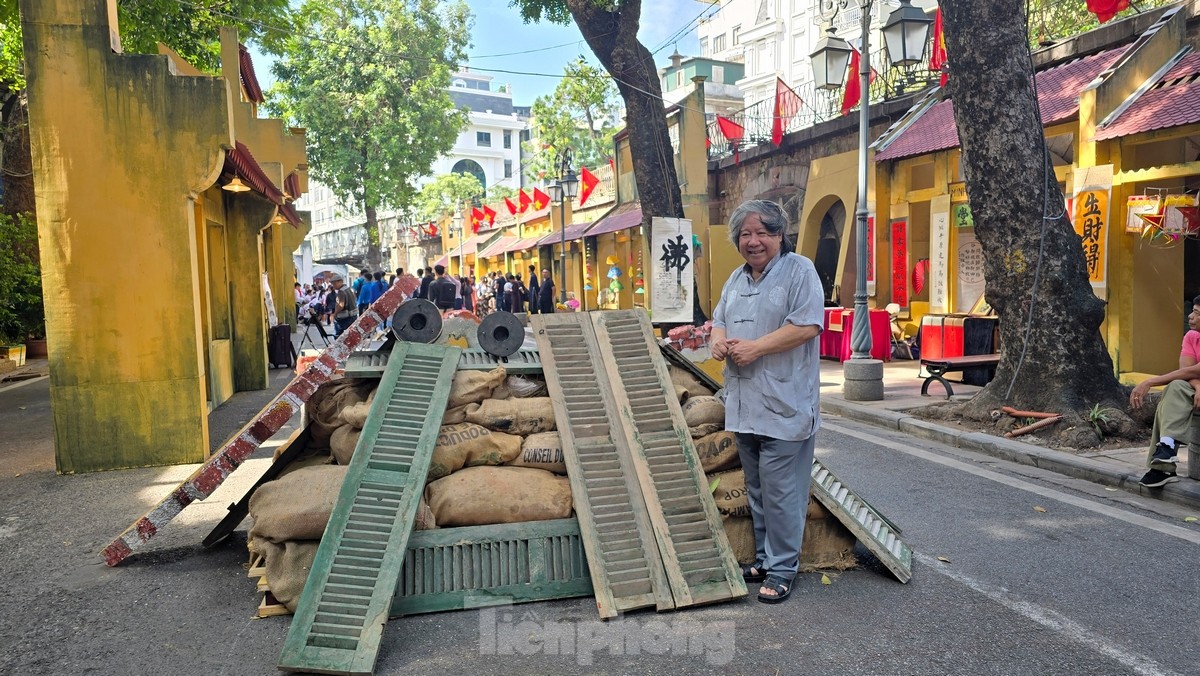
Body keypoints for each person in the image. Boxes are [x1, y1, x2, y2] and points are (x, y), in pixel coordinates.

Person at [710, 199, 824, 605]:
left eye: (762, 232)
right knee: (757, 488)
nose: (753, 241)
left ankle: (782, 569)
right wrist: (717, 340)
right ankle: (763, 557)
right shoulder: (735, 279)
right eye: (745, 234)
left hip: (785, 404)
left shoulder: (800, 271)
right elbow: (719, 318)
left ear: (779, 235)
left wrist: (756, 347)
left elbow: (808, 325)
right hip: (744, 405)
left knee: (781, 492)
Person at [1129, 296, 1200, 487]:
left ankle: (1161, 468)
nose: (1191, 316)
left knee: (1172, 392)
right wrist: (1198, 386)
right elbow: (1187, 370)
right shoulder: (1192, 337)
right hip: (1197, 391)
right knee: (1174, 388)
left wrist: (1151, 381)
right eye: (1192, 310)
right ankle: (1165, 454)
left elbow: (1195, 370)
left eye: (1197, 313)